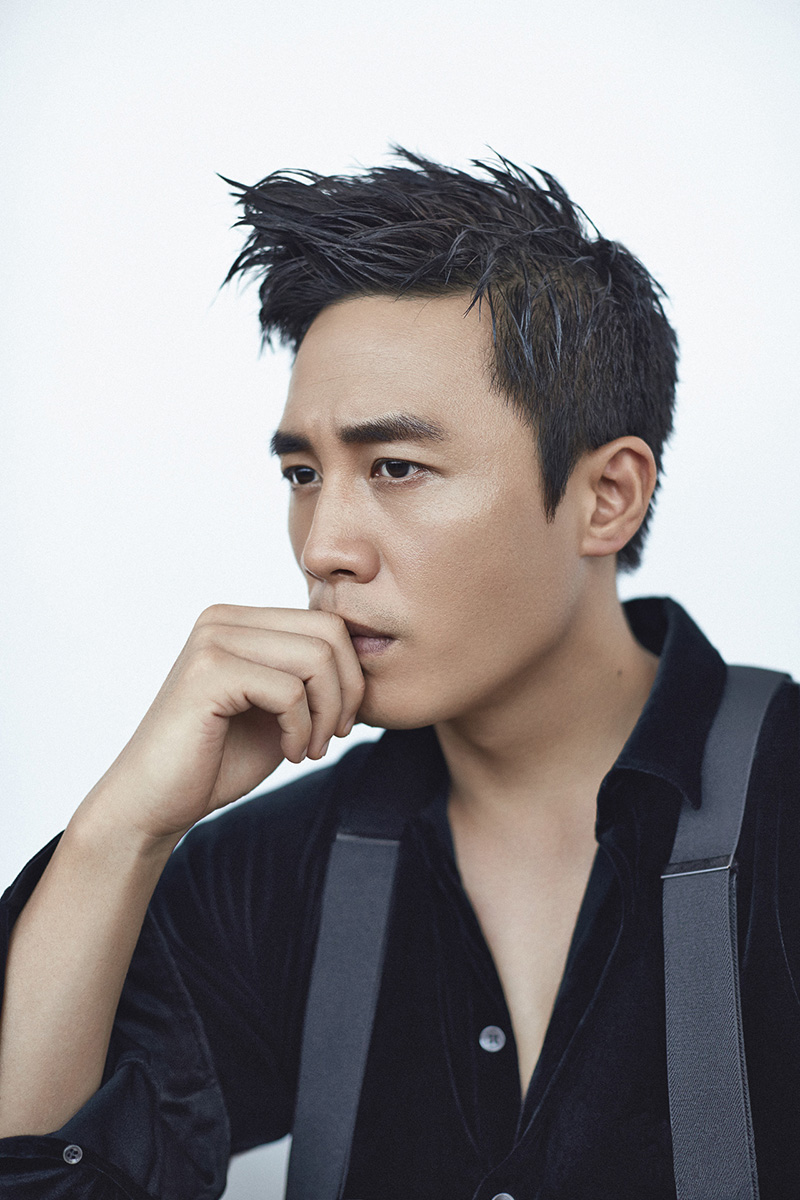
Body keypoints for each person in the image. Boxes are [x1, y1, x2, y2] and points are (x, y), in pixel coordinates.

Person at [0, 146, 797, 1200]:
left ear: (605, 497)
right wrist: (120, 834)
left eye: (395, 468)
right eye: (303, 473)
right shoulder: (273, 871)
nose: (323, 545)